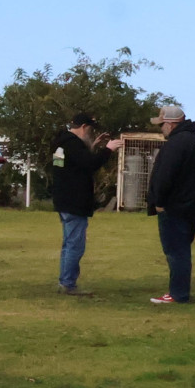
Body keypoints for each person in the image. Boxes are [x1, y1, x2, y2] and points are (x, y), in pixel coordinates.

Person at [48, 112, 123, 296]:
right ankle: (68, 283)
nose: (91, 132)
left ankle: (65, 281)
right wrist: (108, 149)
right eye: (90, 129)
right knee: (75, 244)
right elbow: (90, 164)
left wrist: (94, 145)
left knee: (68, 243)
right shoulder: (72, 144)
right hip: (74, 201)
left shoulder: (61, 144)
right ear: (83, 127)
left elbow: (73, 164)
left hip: (64, 200)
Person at [144, 103, 195, 304]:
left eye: (162, 124)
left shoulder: (175, 144)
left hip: (174, 205)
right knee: (183, 249)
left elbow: (165, 175)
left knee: (175, 251)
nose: (161, 128)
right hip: (192, 205)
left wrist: (158, 201)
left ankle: (178, 293)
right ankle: (180, 291)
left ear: (170, 124)